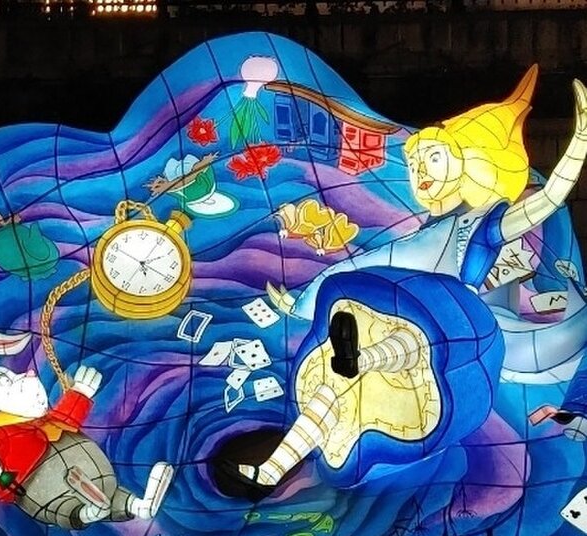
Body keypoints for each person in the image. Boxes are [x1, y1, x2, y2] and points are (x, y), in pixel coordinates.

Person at [237, 67, 587, 491]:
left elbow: (546, 201)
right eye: (415, 161)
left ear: (469, 162)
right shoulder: (427, 229)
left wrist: (579, 145)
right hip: (396, 306)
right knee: (332, 396)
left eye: (432, 158)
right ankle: (272, 467)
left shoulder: (483, 224)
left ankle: (360, 358)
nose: (420, 171)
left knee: (405, 350)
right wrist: (306, 299)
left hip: (448, 317)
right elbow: (378, 260)